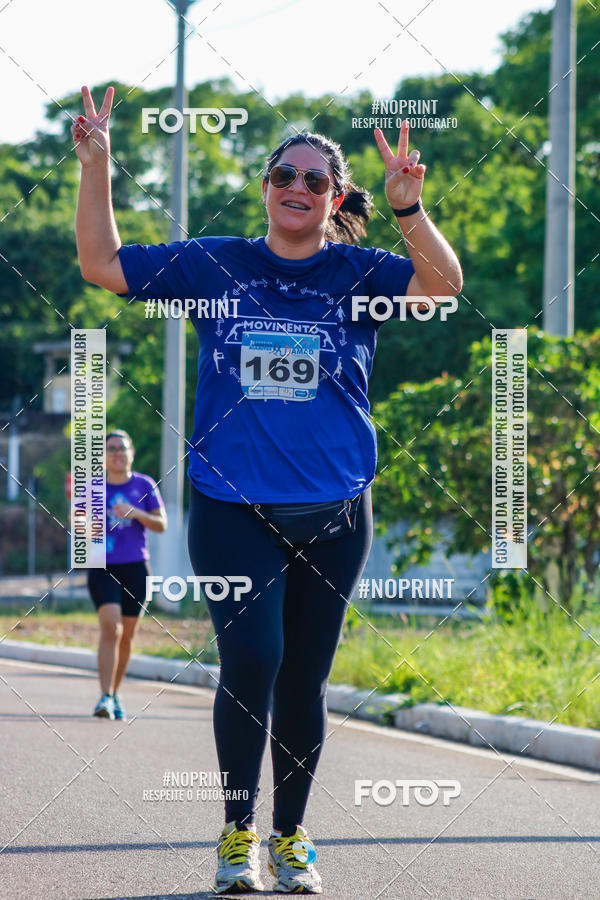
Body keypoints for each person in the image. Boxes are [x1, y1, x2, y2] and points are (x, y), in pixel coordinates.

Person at [72, 85, 462, 893]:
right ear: (265, 185)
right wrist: (98, 166)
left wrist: (409, 208)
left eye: (318, 181)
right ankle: (236, 835)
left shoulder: (363, 273)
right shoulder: (215, 262)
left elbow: (444, 285)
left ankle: (290, 838)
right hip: (232, 506)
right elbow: (101, 265)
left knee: (304, 680)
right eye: (287, 172)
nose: (299, 186)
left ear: (334, 197)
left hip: (335, 510)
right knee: (252, 659)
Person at [88, 429, 167, 721]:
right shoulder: (94, 487)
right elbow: (80, 529)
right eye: (111, 449)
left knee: (127, 635)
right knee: (112, 628)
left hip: (136, 567)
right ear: (104, 456)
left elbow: (161, 525)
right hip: (103, 567)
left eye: (122, 448)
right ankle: (105, 696)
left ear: (131, 452)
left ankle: (114, 693)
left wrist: (137, 513)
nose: (118, 453)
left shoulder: (144, 484)